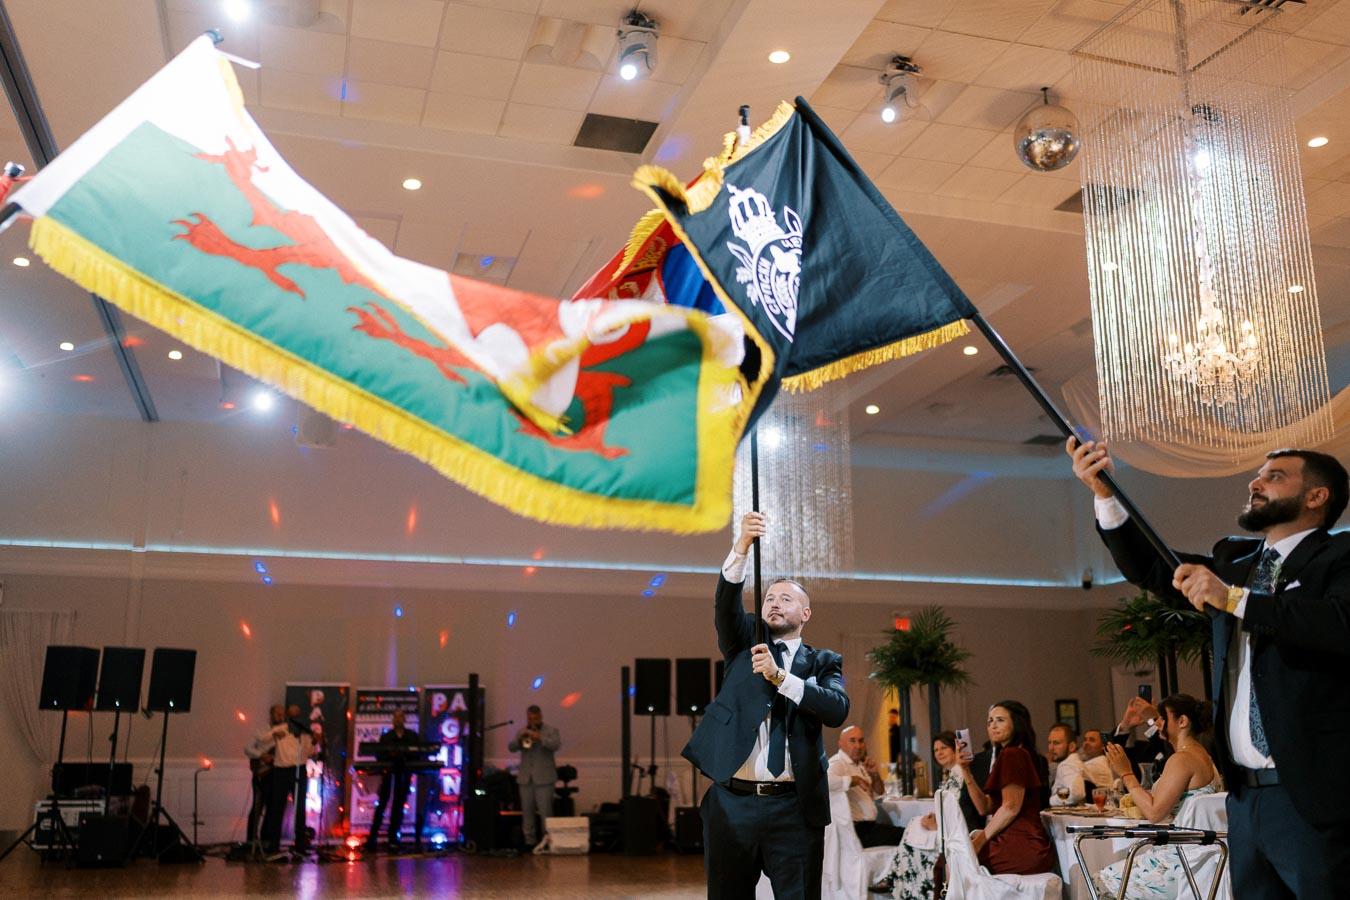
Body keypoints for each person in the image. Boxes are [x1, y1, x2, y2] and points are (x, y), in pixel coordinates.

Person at [1069, 439, 1350, 897]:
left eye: (1275, 476)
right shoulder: (1233, 565)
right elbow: (1154, 570)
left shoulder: (1339, 557)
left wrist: (1234, 600)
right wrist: (1105, 495)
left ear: (1317, 497)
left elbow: (1339, 622)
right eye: (1259, 474)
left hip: (1313, 796)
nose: (1255, 482)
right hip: (1244, 799)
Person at [683, 511, 850, 900]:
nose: (774, 603)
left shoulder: (825, 661)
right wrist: (741, 546)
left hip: (795, 808)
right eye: (770, 597)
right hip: (732, 803)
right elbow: (725, 605)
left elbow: (836, 709)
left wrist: (781, 677)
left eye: (786, 599)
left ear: (805, 614)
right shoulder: (745, 644)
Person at [1092, 694, 1223, 899]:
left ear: (1182, 721)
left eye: (1162, 717)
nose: (1157, 722)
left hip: (1178, 862)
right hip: (1197, 857)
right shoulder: (1203, 756)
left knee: (1099, 883)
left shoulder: (1183, 759)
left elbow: (1154, 813)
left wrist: (1126, 774)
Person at [959, 701, 1056, 876]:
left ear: (1016, 723)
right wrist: (965, 770)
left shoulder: (1013, 754)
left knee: (953, 861)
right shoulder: (1011, 754)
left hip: (1020, 842)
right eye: (990, 721)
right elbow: (985, 808)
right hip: (1013, 839)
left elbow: (1010, 808)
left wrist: (980, 840)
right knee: (952, 858)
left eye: (1000, 720)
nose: (992, 725)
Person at [873, 731, 969, 898]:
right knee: (915, 823)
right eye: (936, 750)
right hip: (945, 826)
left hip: (953, 832)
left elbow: (960, 809)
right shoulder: (951, 774)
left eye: (943, 748)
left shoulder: (961, 773)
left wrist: (937, 824)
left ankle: (896, 879)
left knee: (913, 826)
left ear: (955, 748)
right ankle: (896, 878)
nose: (939, 753)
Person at [827, 726, 904, 848]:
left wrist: (875, 776)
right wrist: (854, 780)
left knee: (906, 834)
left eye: (861, 741)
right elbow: (826, 782)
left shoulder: (859, 765)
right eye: (852, 741)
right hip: (854, 830)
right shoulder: (838, 762)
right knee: (906, 835)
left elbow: (878, 793)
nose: (858, 746)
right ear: (840, 744)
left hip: (867, 827)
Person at [262, 704, 317, 854]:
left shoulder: (304, 732)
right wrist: (274, 736)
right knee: (277, 809)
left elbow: (310, 752)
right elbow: (263, 740)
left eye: (297, 715)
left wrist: (313, 742)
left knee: (300, 809)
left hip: (299, 770)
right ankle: (274, 847)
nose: (294, 717)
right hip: (281, 771)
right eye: (291, 714)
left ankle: (300, 846)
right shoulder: (281, 729)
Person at [367, 709, 425, 850]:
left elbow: (417, 754)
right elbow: (379, 755)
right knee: (382, 804)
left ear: (404, 719)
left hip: (404, 774)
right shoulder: (387, 737)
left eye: (401, 716)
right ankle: (372, 838)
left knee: (398, 805)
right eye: (396, 717)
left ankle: (393, 839)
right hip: (389, 774)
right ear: (393, 720)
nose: (398, 719)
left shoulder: (412, 736)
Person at [508, 704, 561, 848]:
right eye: (529, 718)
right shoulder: (522, 731)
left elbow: (555, 745)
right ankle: (529, 841)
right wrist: (520, 738)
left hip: (544, 778)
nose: (532, 720)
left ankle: (547, 841)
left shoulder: (551, 730)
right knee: (527, 811)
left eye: (535, 718)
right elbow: (511, 747)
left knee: (545, 811)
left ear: (541, 716)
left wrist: (540, 737)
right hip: (526, 778)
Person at [243, 704, 283, 845]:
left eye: (282, 714)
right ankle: (251, 841)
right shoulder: (260, 732)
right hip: (262, 773)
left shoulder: (286, 733)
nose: (280, 716)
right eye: (278, 714)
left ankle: (266, 841)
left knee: (272, 808)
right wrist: (261, 755)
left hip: (277, 773)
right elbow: (247, 748)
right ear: (271, 715)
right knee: (258, 807)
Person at [1046, 722, 1086, 807]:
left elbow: (1076, 794)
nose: (1051, 748)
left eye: (1056, 743)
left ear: (1071, 746)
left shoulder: (1067, 765)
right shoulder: (1076, 762)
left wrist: (1049, 801)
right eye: (1049, 742)